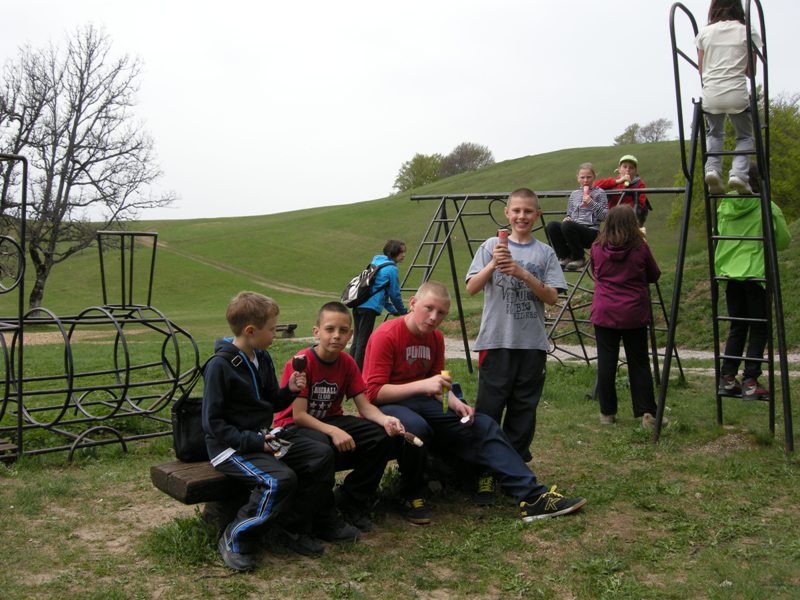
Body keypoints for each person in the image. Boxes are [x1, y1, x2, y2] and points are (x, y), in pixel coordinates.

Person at [362, 280, 587, 523]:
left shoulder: (435, 338)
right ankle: (411, 493)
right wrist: (423, 386)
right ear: (413, 303)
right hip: (388, 406)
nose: (434, 317)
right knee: (417, 427)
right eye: (429, 308)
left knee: (481, 423)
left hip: (423, 401)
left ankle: (532, 496)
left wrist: (453, 401)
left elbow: (438, 383)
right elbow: (373, 392)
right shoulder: (386, 335)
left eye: (441, 313)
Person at [202, 291, 348, 571]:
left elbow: (272, 401)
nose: (275, 333)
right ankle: (236, 537)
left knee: (319, 455)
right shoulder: (220, 366)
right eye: (271, 329)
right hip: (229, 448)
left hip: (262, 437)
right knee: (279, 480)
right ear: (250, 331)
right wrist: (256, 442)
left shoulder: (261, 357)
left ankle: (293, 527)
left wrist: (290, 390)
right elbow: (214, 424)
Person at [465, 188, 567, 501]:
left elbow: (553, 297)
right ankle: (484, 473)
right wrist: (493, 265)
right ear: (507, 213)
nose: (522, 216)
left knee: (523, 411)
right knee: (489, 410)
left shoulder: (545, 253)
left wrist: (522, 274)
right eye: (517, 211)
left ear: (537, 215)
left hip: (532, 344)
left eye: (528, 211)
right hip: (496, 342)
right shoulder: (490, 246)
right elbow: (471, 288)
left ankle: (513, 473)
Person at [274, 301, 408, 532]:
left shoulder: (347, 362)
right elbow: (299, 416)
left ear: (350, 334)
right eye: (330, 329)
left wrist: (385, 419)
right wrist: (334, 431)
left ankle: (352, 499)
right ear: (316, 332)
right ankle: (321, 514)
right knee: (322, 447)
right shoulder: (301, 362)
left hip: (329, 420)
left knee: (381, 437)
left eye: (343, 330)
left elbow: (365, 407)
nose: (336, 336)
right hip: (294, 427)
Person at [715, 165, 790, 399]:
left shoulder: (726, 203)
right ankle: (750, 381)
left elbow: (720, 230)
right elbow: (782, 241)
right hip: (756, 274)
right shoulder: (766, 205)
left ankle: (728, 378)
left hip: (729, 273)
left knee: (737, 326)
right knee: (759, 328)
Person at [590, 206, 662, 429]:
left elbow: (595, 272)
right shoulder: (640, 248)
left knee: (606, 362)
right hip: (633, 313)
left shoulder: (597, 248)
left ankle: (607, 413)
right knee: (639, 362)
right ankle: (647, 413)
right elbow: (654, 275)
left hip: (605, 311)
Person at [696, 0, 762, 195]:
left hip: (711, 94)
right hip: (736, 94)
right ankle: (739, 174)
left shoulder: (705, 33)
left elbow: (701, 69)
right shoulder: (747, 31)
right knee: (745, 136)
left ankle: (712, 169)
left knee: (715, 134)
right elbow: (751, 71)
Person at [349, 239, 408, 370]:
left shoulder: (377, 263)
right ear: (394, 252)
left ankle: (350, 370)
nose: (404, 255)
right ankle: (357, 373)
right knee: (363, 342)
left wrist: (392, 310)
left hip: (359, 303)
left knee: (357, 340)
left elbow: (380, 291)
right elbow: (394, 294)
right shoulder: (391, 269)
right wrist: (403, 312)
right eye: (402, 252)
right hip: (369, 308)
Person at [545, 163, 608, 271]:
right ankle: (564, 256)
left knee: (568, 226)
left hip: (591, 232)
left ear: (594, 177)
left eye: (589, 177)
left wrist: (591, 203)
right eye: (582, 177)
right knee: (551, 226)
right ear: (578, 178)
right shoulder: (574, 194)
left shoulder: (600, 193)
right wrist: (567, 218)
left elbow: (604, 216)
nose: (585, 180)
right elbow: (569, 213)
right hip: (572, 230)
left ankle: (579, 258)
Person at [595, 154, 651, 225]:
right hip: (613, 219)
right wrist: (618, 181)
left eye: (631, 168)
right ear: (619, 169)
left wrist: (623, 213)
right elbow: (594, 186)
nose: (627, 170)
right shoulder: (613, 182)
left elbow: (640, 203)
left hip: (630, 219)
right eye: (625, 167)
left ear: (635, 171)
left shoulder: (639, 184)